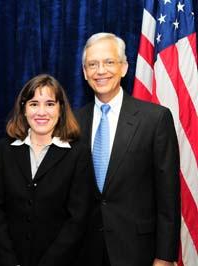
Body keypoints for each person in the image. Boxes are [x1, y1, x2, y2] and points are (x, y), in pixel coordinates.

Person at [75, 32, 180, 266]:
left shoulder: (155, 119)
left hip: (138, 251)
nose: (100, 71)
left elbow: (168, 196)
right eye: (92, 64)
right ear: (85, 72)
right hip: (85, 252)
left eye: (109, 62)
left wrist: (165, 256)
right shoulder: (73, 122)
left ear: (123, 67)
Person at [0, 74, 93, 266]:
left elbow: (77, 220)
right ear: (24, 109)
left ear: (61, 109)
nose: (41, 112)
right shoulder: (5, 149)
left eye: (50, 104)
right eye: (34, 104)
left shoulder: (78, 153)